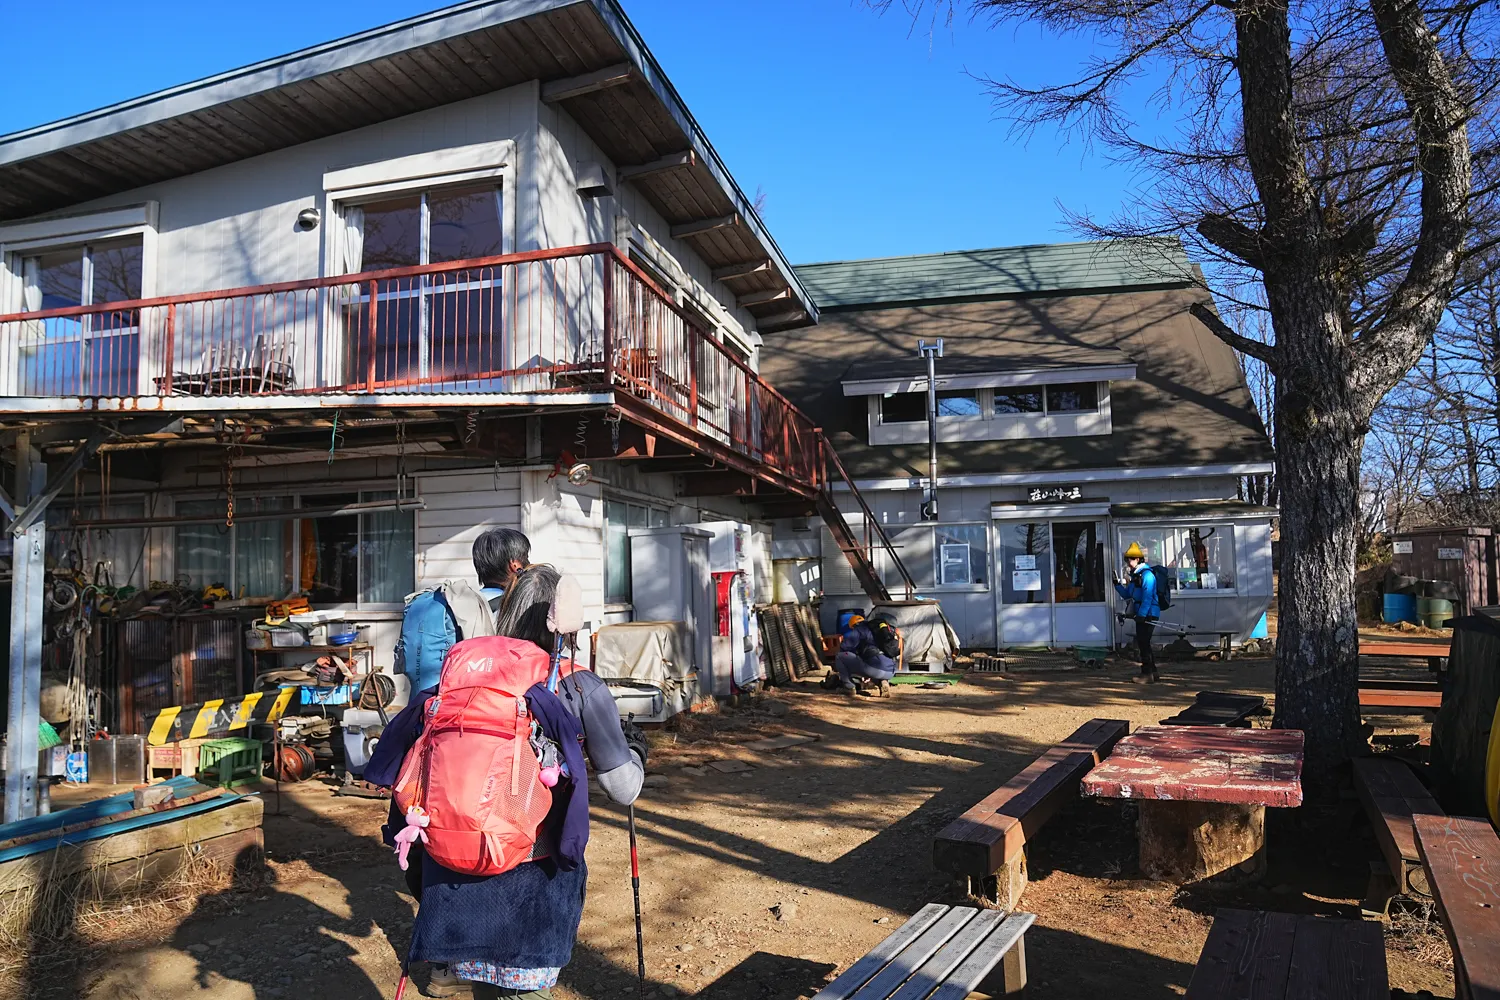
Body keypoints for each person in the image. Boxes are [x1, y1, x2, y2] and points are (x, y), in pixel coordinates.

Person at [368, 565, 646, 999]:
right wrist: (634, 750)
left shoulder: (458, 680)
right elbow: (623, 787)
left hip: (453, 875)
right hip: (532, 885)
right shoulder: (576, 684)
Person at [395, 528, 532, 696]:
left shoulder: (458, 603)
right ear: (515, 565)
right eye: (526, 558)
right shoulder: (516, 607)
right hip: (479, 709)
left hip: (429, 706)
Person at [1115, 542, 1161, 684]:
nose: (1129, 562)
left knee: (1143, 643)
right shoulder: (1136, 577)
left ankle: (1146, 673)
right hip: (1142, 614)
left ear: (1139, 559)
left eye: (1132, 559)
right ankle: (1153, 672)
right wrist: (1117, 585)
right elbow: (1128, 595)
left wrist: (1141, 614)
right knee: (1144, 643)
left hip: (1149, 613)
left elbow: (1147, 597)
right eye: (1127, 559)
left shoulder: (1147, 575)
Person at [832, 613, 896, 696]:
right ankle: (883, 682)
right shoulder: (877, 631)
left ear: (853, 626)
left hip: (873, 669)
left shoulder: (858, 629)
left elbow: (845, 647)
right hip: (890, 671)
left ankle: (848, 687)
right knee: (874, 661)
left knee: (840, 656)